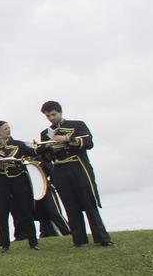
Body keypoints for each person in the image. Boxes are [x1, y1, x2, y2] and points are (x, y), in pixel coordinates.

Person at [38, 101, 113, 246]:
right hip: (59, 169)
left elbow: (88, 142)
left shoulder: (77, 125)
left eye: (54, 114)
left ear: (60, 112)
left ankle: (102, 239)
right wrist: (50, 149)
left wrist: (67, 139)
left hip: (78, 167)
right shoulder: (45, 133)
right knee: (70, 205)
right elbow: (45, 157)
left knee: (89, 203)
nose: (51, 118)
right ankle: (79, 240)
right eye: (48, 116)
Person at [0, 120, 42, 250]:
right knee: (2, 212)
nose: (8, 130)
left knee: (26, 210)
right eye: (5, 128)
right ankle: (4, 245)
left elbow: (33, 152)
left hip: (19, 179)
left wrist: (43, 147)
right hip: (0, 180)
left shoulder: (18, 144)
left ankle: (33, 242)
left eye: (9, 128)